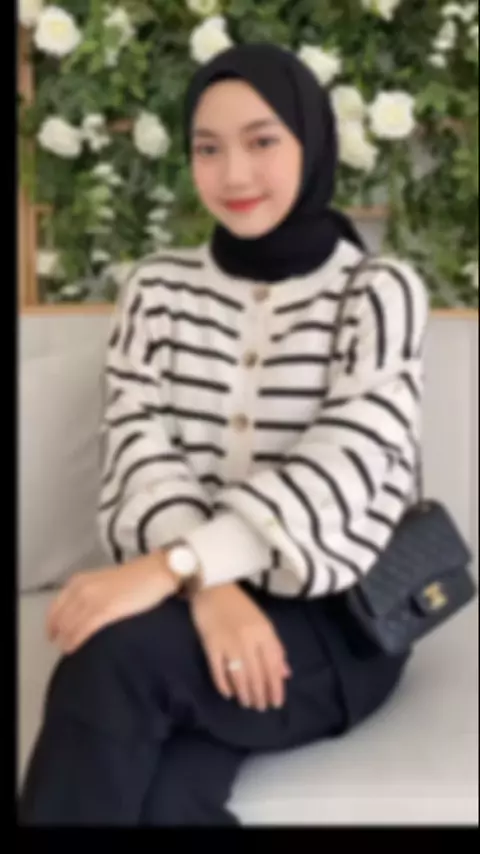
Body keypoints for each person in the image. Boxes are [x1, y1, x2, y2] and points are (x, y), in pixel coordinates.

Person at [19, 43, 428, 826]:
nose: (234, 174)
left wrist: (177, 565)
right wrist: (207, 586)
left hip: (339, 618)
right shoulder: (157, 289)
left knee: (110, 660)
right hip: (185, 603)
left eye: (262, 140)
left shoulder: (376, 293)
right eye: (208, 149)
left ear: (312, 142)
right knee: (167, 799)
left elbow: (345, 468)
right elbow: (135, 447)